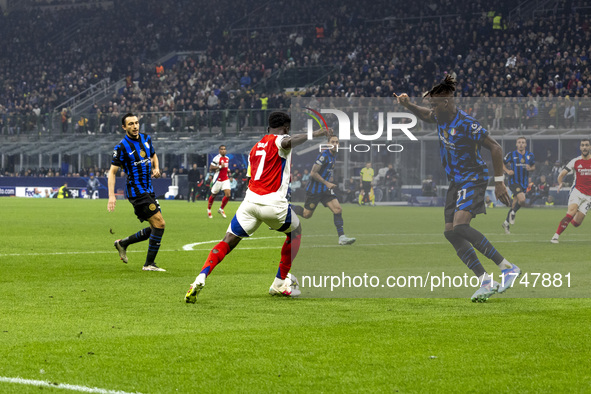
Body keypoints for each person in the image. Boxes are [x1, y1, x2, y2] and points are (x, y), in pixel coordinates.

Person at [395, 75, 521, 302]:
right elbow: (424, 115)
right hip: (457, 181)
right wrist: (408, 105)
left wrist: (499, 182)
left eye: (434, 104)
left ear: (446, 103)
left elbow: (495, 147)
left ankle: (507, 268)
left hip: (473, 178)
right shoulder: (440, 116)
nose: (431, 108)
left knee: (461, 226)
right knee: (450, 232)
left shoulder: (466, 124)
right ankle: (485, 280)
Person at [185, 111, 330, 303]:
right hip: (273, 203)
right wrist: (317, 134)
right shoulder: (280, 139)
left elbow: (251, 176)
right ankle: (279, 283)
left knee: (228, 240)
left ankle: (201, 277)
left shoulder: (255, 148)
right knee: (296, 232)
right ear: (286, 128)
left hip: (250, 202)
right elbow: (287, 142)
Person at [107, 113, 166, 272]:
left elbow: (153, 154)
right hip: (136, 192)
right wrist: (112, 196)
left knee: (156, 227)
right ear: (124, 127)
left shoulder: (146, 139)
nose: (135, 126)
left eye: (137, 123)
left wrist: (156, 168)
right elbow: (112, 172)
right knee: (160, 223)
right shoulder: (121, 147)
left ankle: (123, 243)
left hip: (148, 189)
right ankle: (148, 265)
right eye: (131, 124)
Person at [292, 135, 356, 246]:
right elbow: (313, 173)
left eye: (337, 142)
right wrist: (327, 182)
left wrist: (327, 183)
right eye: (332, 142)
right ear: (328, 143)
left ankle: (342, 237)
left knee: (337, 210)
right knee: (306, 214)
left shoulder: (334, 155)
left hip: (325, 190)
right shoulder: (323, 156)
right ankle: (286, 208)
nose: (335, 144)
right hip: (314, 190)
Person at [550, 139, 591, 243]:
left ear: (590, 147)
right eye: (582, 145)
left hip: (589, 196)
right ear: (580, 148)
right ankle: (555, 236)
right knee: (571, 212)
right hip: (577, 191)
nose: (585, 147)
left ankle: (571, 217)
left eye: (587, 145)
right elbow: (562, 174)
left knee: (577, 223)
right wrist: (560, 183)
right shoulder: (575, 161)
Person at [501, 137, 535, 234]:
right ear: (516, 144)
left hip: (523, 183)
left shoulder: (530, 155)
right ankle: (513, 213)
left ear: (525, 144)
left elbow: (533, 166)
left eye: (523, 142)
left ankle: (506, 223)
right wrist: (507, 171)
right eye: (519, 142)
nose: (521, 144)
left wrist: (530, 168)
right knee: (522, 200)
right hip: (513, 181)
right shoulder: (512, 154)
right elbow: (501, 163)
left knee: (515, 204)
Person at [207, 145, 231, 218]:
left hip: (225, 179)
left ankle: (221, 209)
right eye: (222, 149)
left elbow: (225, 167)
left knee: (228, 195)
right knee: (213, 195)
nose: (223, 150)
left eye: (224, 149)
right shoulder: (216, 158)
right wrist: (220, 167)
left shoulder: (227, 158)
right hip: (218, 179)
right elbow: (211, 168)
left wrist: (227, 169)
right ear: (219, 151)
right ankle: (209, 209)